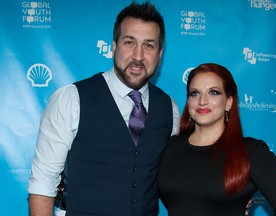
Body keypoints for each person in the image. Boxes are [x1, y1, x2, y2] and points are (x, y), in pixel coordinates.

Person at [28, 2, 180, 216]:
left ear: (160, 53)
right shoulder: (71, 99)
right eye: (129, 42)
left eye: (149, 45)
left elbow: (178, 176)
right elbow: (43, 182)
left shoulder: (169, 108)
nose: (138, 56)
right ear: (114, 46)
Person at [158, 63, 276, 216]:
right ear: (188, 102)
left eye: (213, 92)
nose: (202, 101)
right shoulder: (171, 147)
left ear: (228, 102)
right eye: (195, 93)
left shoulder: (251, 152)